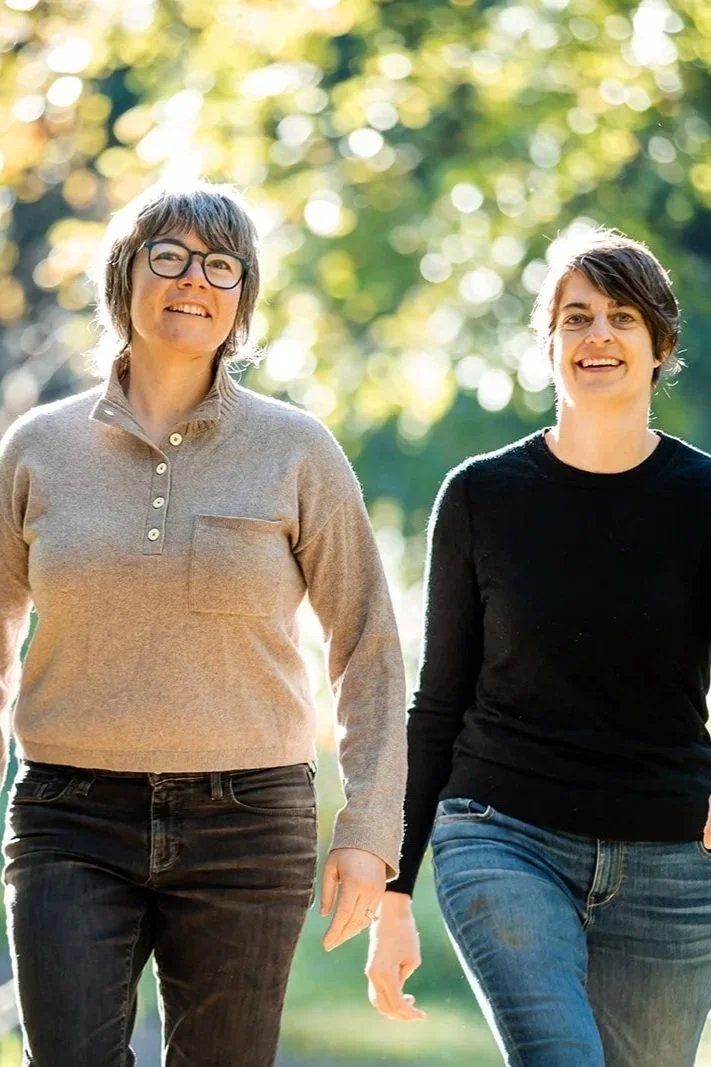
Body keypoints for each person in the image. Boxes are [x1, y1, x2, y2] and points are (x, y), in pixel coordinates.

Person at [0, 178, 406, 1067]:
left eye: (221, 265)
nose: (195, 279)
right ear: (125, 276)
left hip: (248, 821)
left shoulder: (296, 449)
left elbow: (367, 642)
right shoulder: (36, 448)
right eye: (170, 256)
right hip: (69, 815)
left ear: (241, 299)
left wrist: (370, 827)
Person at [367, 228, 711, 1067]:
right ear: (548, 343)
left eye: (622, 317)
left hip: (668, 855)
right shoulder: (480, 495)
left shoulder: (703, 498)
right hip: (501, 834)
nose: (598, 335)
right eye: (575, 317)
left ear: (660, 345)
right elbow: (437, 701)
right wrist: (393, 891)